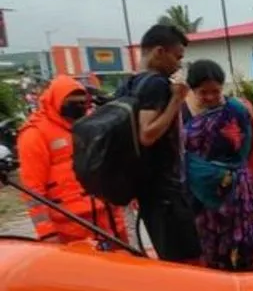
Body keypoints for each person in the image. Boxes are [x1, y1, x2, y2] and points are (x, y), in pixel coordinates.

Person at [16, 75, 127, 244]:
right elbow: (33, 190)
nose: (80, 107)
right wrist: (47, 232)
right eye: (73, 103)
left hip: (107, 221)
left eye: (83, 103)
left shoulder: (90, 126)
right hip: (69, 228)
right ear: (57, 101)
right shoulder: (35, 134)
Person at [181, 59, 253, 271]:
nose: (210, 97)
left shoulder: (236, 110)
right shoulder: (180, 113)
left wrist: (225, 171)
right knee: (211, 243)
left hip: (239, 189)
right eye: (203, 93)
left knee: (246, 241)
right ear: (192, 90)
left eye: (216, 91)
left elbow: (246, 146)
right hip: (203, 194)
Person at [129, 24, 202, 263]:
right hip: (166, 193)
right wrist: (177, 100)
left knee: (171, 257)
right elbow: (147, 134)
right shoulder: (156, 84)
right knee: (187, 260)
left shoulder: (130, 84)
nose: (179, 65)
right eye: (177, 57)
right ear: (159, 52)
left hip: (148, 189)